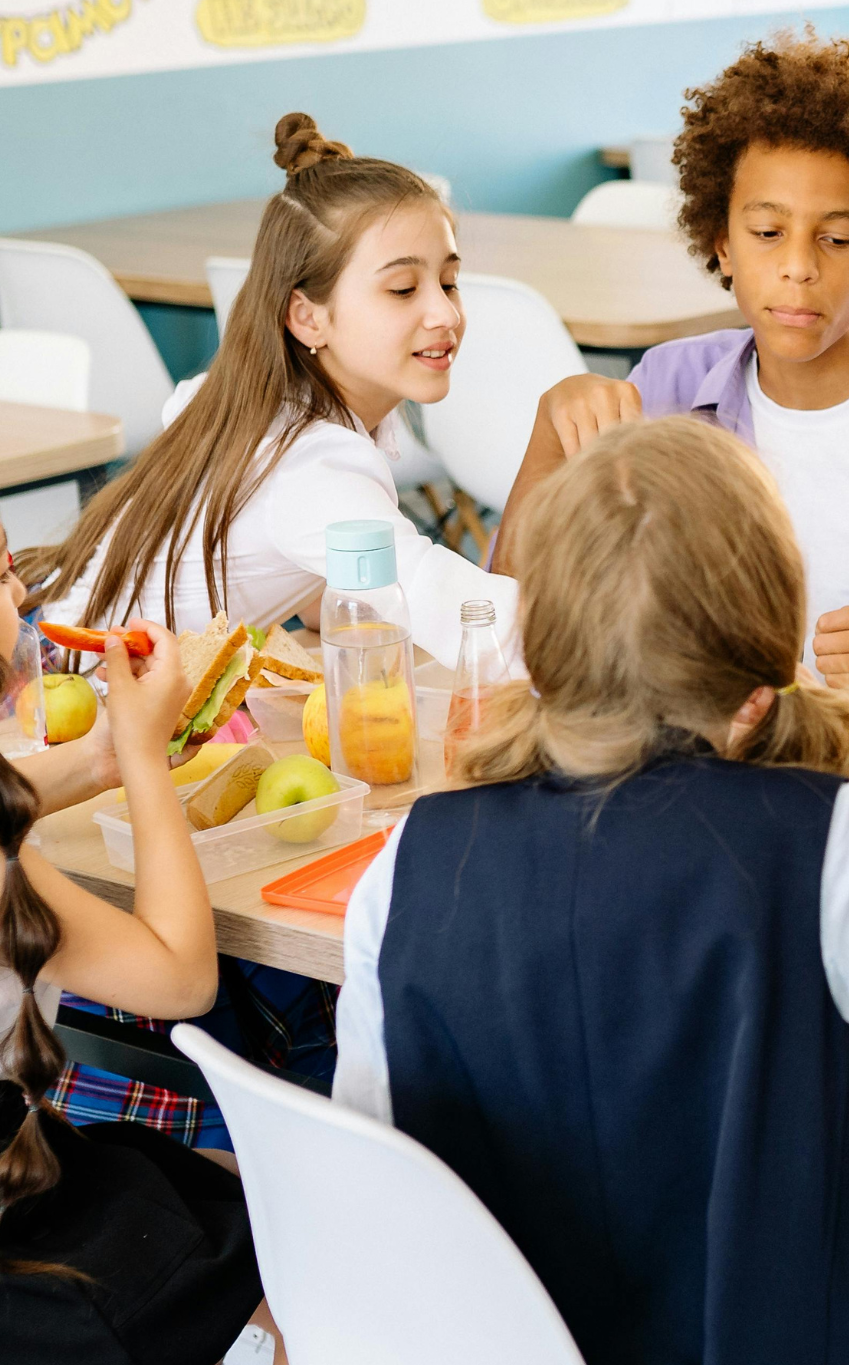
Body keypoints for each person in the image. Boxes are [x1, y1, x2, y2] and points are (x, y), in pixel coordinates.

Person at [333, 416, 849, 1362]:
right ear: (758, 695)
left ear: (537, 661)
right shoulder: (826, 842)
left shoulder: (407, 864)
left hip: (511, 1341)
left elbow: (380, 1182)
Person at [20, 111, 516, 1151]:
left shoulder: (235, 398)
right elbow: (457, 615)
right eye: (401, 287)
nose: (444, 313)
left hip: (64, 748)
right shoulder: (326, 468)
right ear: (308, 318)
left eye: (450, 279)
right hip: (118, 800)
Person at [496, 30, 849, 706]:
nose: (799, 265)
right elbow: (518, 619)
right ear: (722, 244)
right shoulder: (664, 389)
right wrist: (548, 428)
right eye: (767, 233)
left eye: (835, 239)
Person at [0, 518, 284, 1363]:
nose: (22, 596)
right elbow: (180, 975)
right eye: (1, 574)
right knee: (285, 1206)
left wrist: (99, 760)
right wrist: (145, 758)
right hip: (34, 1269)